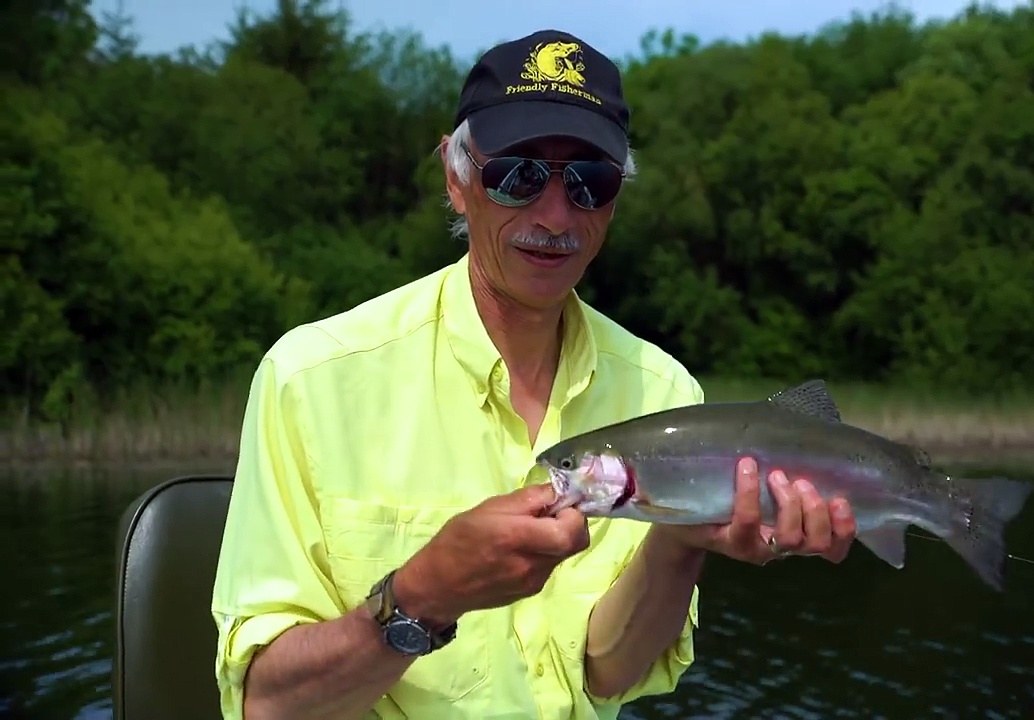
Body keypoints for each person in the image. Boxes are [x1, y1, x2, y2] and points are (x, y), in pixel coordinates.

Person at [210, 28, 858, 720]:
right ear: (457, 180)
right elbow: (268, 706)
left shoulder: (666, 391)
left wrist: (677, 540)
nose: (554, 217)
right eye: (516, 174)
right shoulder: (308, 379)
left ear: (613, 201)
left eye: (590, 183)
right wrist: (424, 595)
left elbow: (608, 675)